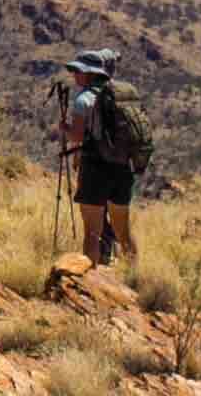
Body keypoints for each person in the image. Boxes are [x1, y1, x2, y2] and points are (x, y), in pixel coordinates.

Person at [61, 48, 137, 266]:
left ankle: (89, 285)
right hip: (123, 169)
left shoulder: (83, 100)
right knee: (124, 232)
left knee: (92, 233)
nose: (75, 75)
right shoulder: (122, 95)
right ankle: (135, 276)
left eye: (79, 71)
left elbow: (76, 137)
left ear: (91, 73)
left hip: (95, 169)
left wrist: (64, 128)